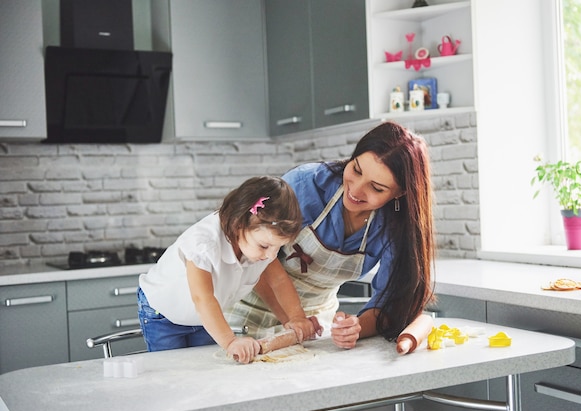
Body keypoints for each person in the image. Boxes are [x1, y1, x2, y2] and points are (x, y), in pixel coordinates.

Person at [226, 121, 436, 353]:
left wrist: (355, 327)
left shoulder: (395, 224)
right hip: (247, 312)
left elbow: (390, 302)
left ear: (401, 193)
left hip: (316, 329)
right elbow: (258, 257)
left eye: (376, 188)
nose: (356, 190)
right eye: (356, 170)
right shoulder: (306, 185)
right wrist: (293, 319)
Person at [137, 176, 321, 364]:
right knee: (173, 371)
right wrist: (230, 341)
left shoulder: (257, 247)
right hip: (164, 314)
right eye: (265, 246)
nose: (272, 256)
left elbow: (277, 281)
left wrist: (294, 318)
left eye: (278, 248)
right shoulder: (204, 243)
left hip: (205, 318)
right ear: (238, 225)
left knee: (206, 368)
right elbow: (203, 298)